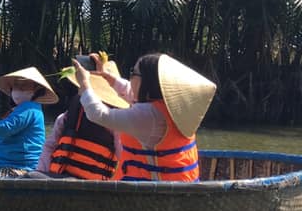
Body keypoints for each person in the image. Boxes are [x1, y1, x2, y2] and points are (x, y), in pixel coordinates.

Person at [72, 53, 217, 181]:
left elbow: (99, 115)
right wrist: (107, 76)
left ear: (147, 82)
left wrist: (84, 83)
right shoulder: (175, 105)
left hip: (153, 200)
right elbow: (131, 91)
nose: (130, 78)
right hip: (181, 190)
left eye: (133, 73)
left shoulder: (148, 116)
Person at [36, 55, 129, 180]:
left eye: (81, 84)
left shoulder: (115, 121)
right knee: (31, 176)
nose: (79, 88)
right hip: (59, 179)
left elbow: (123, 156)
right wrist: (40, 176)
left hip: (92, 186)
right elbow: (49, 147)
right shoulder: (66, 116)